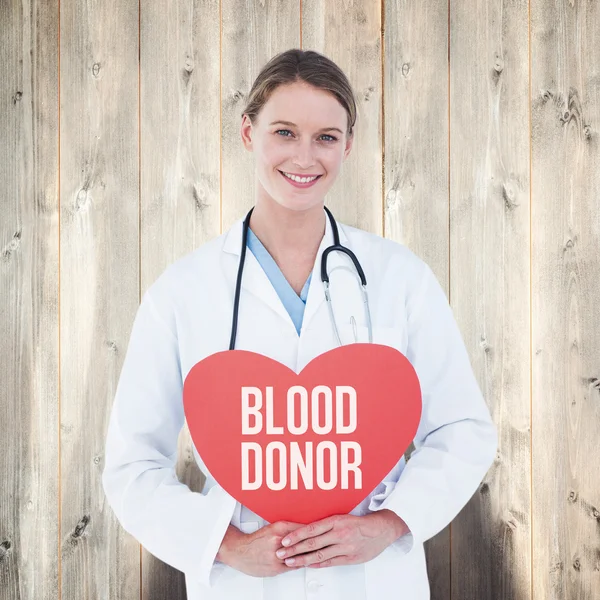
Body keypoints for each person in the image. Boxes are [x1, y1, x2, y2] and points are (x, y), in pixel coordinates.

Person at [101, 48, 498, 600]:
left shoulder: (398, 278)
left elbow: (463, 430)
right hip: (242, 585)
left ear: (348, 145)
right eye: (284, 132)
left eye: (326, 137)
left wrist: (386, 527)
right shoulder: (183, 291)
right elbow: (132, 465)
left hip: (372, 581)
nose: (304, 156)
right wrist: (231, 546)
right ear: (248, 133)